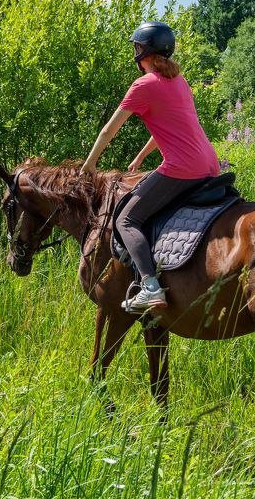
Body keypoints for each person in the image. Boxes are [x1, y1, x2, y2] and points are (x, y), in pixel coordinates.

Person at [81, 21, 220, 312]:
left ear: (142, 52)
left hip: (183, 168)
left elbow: (108, 130)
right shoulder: (179, 81)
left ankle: (150, 286)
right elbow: (170, 127)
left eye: (136, 47)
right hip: (209, 163)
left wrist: (90, 163)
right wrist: (142, 157)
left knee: (126, 220)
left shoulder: (143, 85)